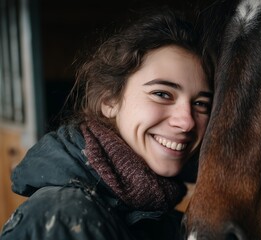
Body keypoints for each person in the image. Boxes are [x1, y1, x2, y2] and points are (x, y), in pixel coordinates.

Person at [0, 8, 213, 240]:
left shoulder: (157, 216)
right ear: (109, 101)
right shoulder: (66, 217)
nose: (187, 121)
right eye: (162, 94)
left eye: (201, 104)